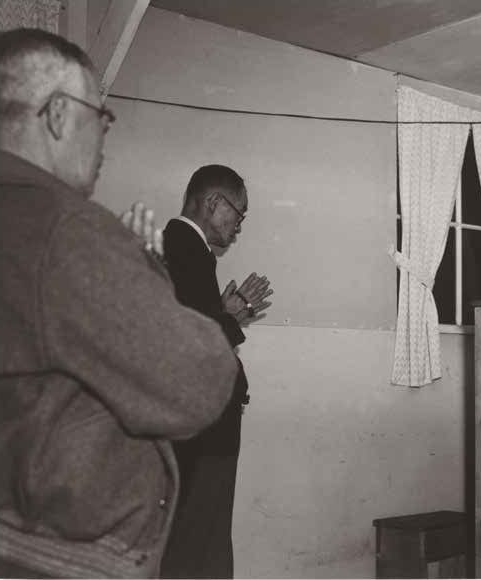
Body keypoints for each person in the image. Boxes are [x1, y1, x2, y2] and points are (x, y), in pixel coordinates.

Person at [0, 28, 239, 578]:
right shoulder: (67, 229)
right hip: (65, 556)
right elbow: (202, 381)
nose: (104, 140)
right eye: (98, 116)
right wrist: (145, 269)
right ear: (57, 115)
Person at [160, 165, 273, 579]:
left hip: (203, 426)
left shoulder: (188, 248)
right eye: (238, 213)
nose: (239, 225)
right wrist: (227, 318)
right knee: (197, 540)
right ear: (212, 203)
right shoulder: (182, 246)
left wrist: (223, 315)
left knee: (201, 538)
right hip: (201, 431)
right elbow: (182, 342)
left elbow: (190, 322)